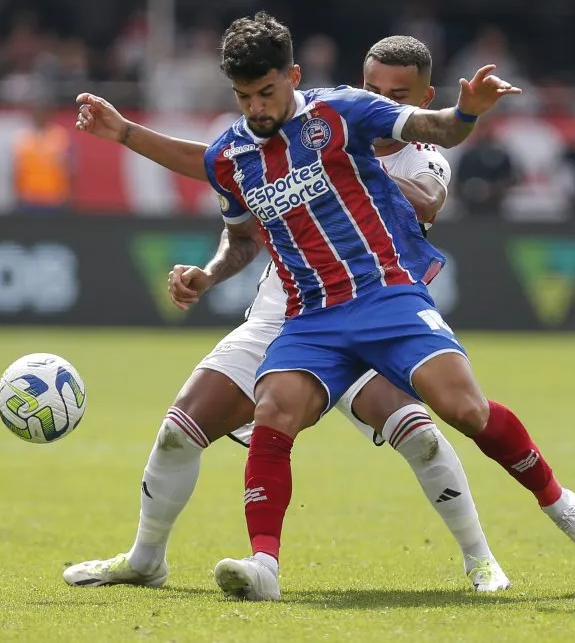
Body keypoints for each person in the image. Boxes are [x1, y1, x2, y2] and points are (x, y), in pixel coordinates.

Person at [192, 12, 575, 601]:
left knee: (461, 409)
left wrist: (467, 112)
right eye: (246, 96)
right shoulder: (267, 138)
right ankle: (264, 563)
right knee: (275, 410)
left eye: (265, 92)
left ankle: (557, 502)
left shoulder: (360, 125)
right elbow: (230, 195)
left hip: (386, 296)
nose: (257, 106)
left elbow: (438, 134)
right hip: (312, 313)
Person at [63, 36, 511, 593]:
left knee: (417, 433)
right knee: (178, 431)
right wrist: (207, 270)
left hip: (369, 309)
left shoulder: (406, 151)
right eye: (373, 88)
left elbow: (424, 199)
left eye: (397, 93)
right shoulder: (277, 140)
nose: (381, 98)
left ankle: (481, 560)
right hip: (289, 315)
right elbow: (225, 196)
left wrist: (342, 166)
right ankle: (146, 559)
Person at [12, 104, 72, 211]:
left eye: (43, 113)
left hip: (54, 198)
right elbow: (16, 169)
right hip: (29, 198)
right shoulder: (23, 138)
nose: (40, 117)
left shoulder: (60, 136)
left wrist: (67, 196)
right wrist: (18, 195)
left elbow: (69, 168)